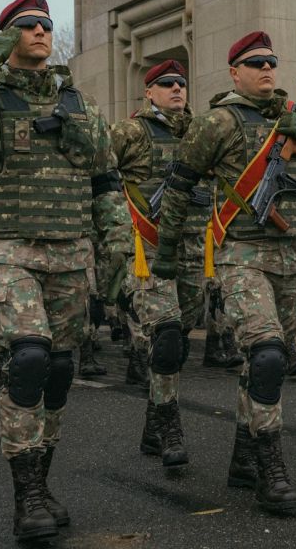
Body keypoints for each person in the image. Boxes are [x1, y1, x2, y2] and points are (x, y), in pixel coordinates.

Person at [0, 0, 131, 541]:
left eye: (46, 24)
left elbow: (106, 181)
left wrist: (118, 250)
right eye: (28, 25)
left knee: (60, 372)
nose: (42, 32)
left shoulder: (78, 103)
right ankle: (26, 498)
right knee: (27, 360)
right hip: (9, 250)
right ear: (7, 36)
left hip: (71, 254)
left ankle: (42, 482)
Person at [151, 30, 296, 515]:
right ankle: (271, 467)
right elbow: (179, 185)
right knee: (266, 355)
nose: (267, 69)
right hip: (240, 254)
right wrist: (165, 251)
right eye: (255, 62)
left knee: (268, 366)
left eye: (272, 61)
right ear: (234, 72)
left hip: (289, 257)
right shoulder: (217, 122)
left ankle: (244, 456)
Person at [111, 58, 214, 467]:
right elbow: (98, 176)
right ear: (148, 92)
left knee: (180, 338)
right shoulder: (130, 132)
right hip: (149, 251)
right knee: (167, 337)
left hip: (192, 248)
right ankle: (171, 427)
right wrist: (117, 236)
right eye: (166, 83)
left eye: (182, 83)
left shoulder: (200, 132)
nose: (177, 89)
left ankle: (154, 422)